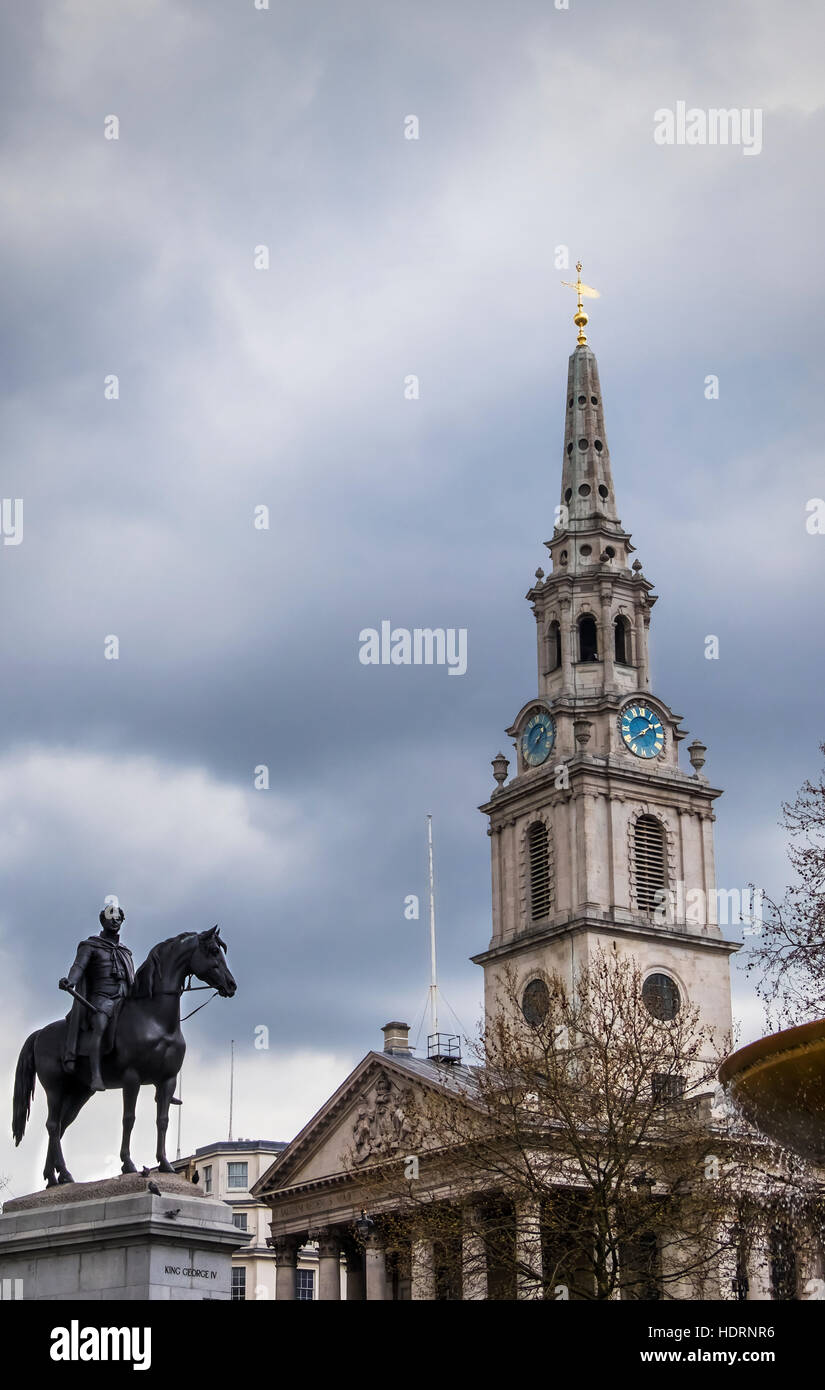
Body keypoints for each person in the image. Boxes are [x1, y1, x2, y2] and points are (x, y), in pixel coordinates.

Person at [60, 904, 135, 1090]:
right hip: (102, 998)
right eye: (111, 917)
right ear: (103, 921)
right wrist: (70, 980)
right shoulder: (91, 946)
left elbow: (132, 979)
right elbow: (78, 966)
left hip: (125, 999)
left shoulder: (125, 952)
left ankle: (160, 1074)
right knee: (100, 1024)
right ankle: (96, 1075)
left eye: (118, 918)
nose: (115, 921)